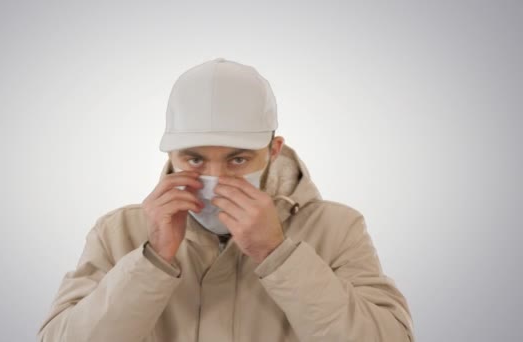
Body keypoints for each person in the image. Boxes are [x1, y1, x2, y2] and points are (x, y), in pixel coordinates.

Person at [37, 58, 416, 342]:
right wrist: (151, 260)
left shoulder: (336, 228)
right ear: (170, 155)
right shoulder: (118, 231)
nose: (215, 179)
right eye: (195, 159)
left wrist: (278, 254)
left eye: (237, 159)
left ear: (272, 149)